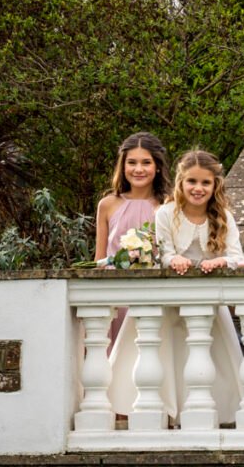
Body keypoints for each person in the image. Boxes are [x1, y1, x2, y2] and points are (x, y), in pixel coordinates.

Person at [108, 150, 244, 425]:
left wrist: (219, 262)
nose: (198, 188)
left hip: (206, 300)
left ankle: (200, 416)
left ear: (215, 185)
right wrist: (174, 259)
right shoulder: (166, 213)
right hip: (170, 298)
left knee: (205, 356)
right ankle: (164, 413)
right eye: (191, 181)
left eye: (205, 183)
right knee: (165, 353)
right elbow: (165, 253)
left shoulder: (224, 216)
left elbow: (237, 256)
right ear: (181, 183)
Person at [94, 132, 171, 351]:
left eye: (146, 162)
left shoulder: (167, 204)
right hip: (116, 293)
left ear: (157, 166)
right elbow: (99, 258)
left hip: (154, 291)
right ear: (123, 166)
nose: (138, 169)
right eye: (132, 163)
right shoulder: (108, 204)